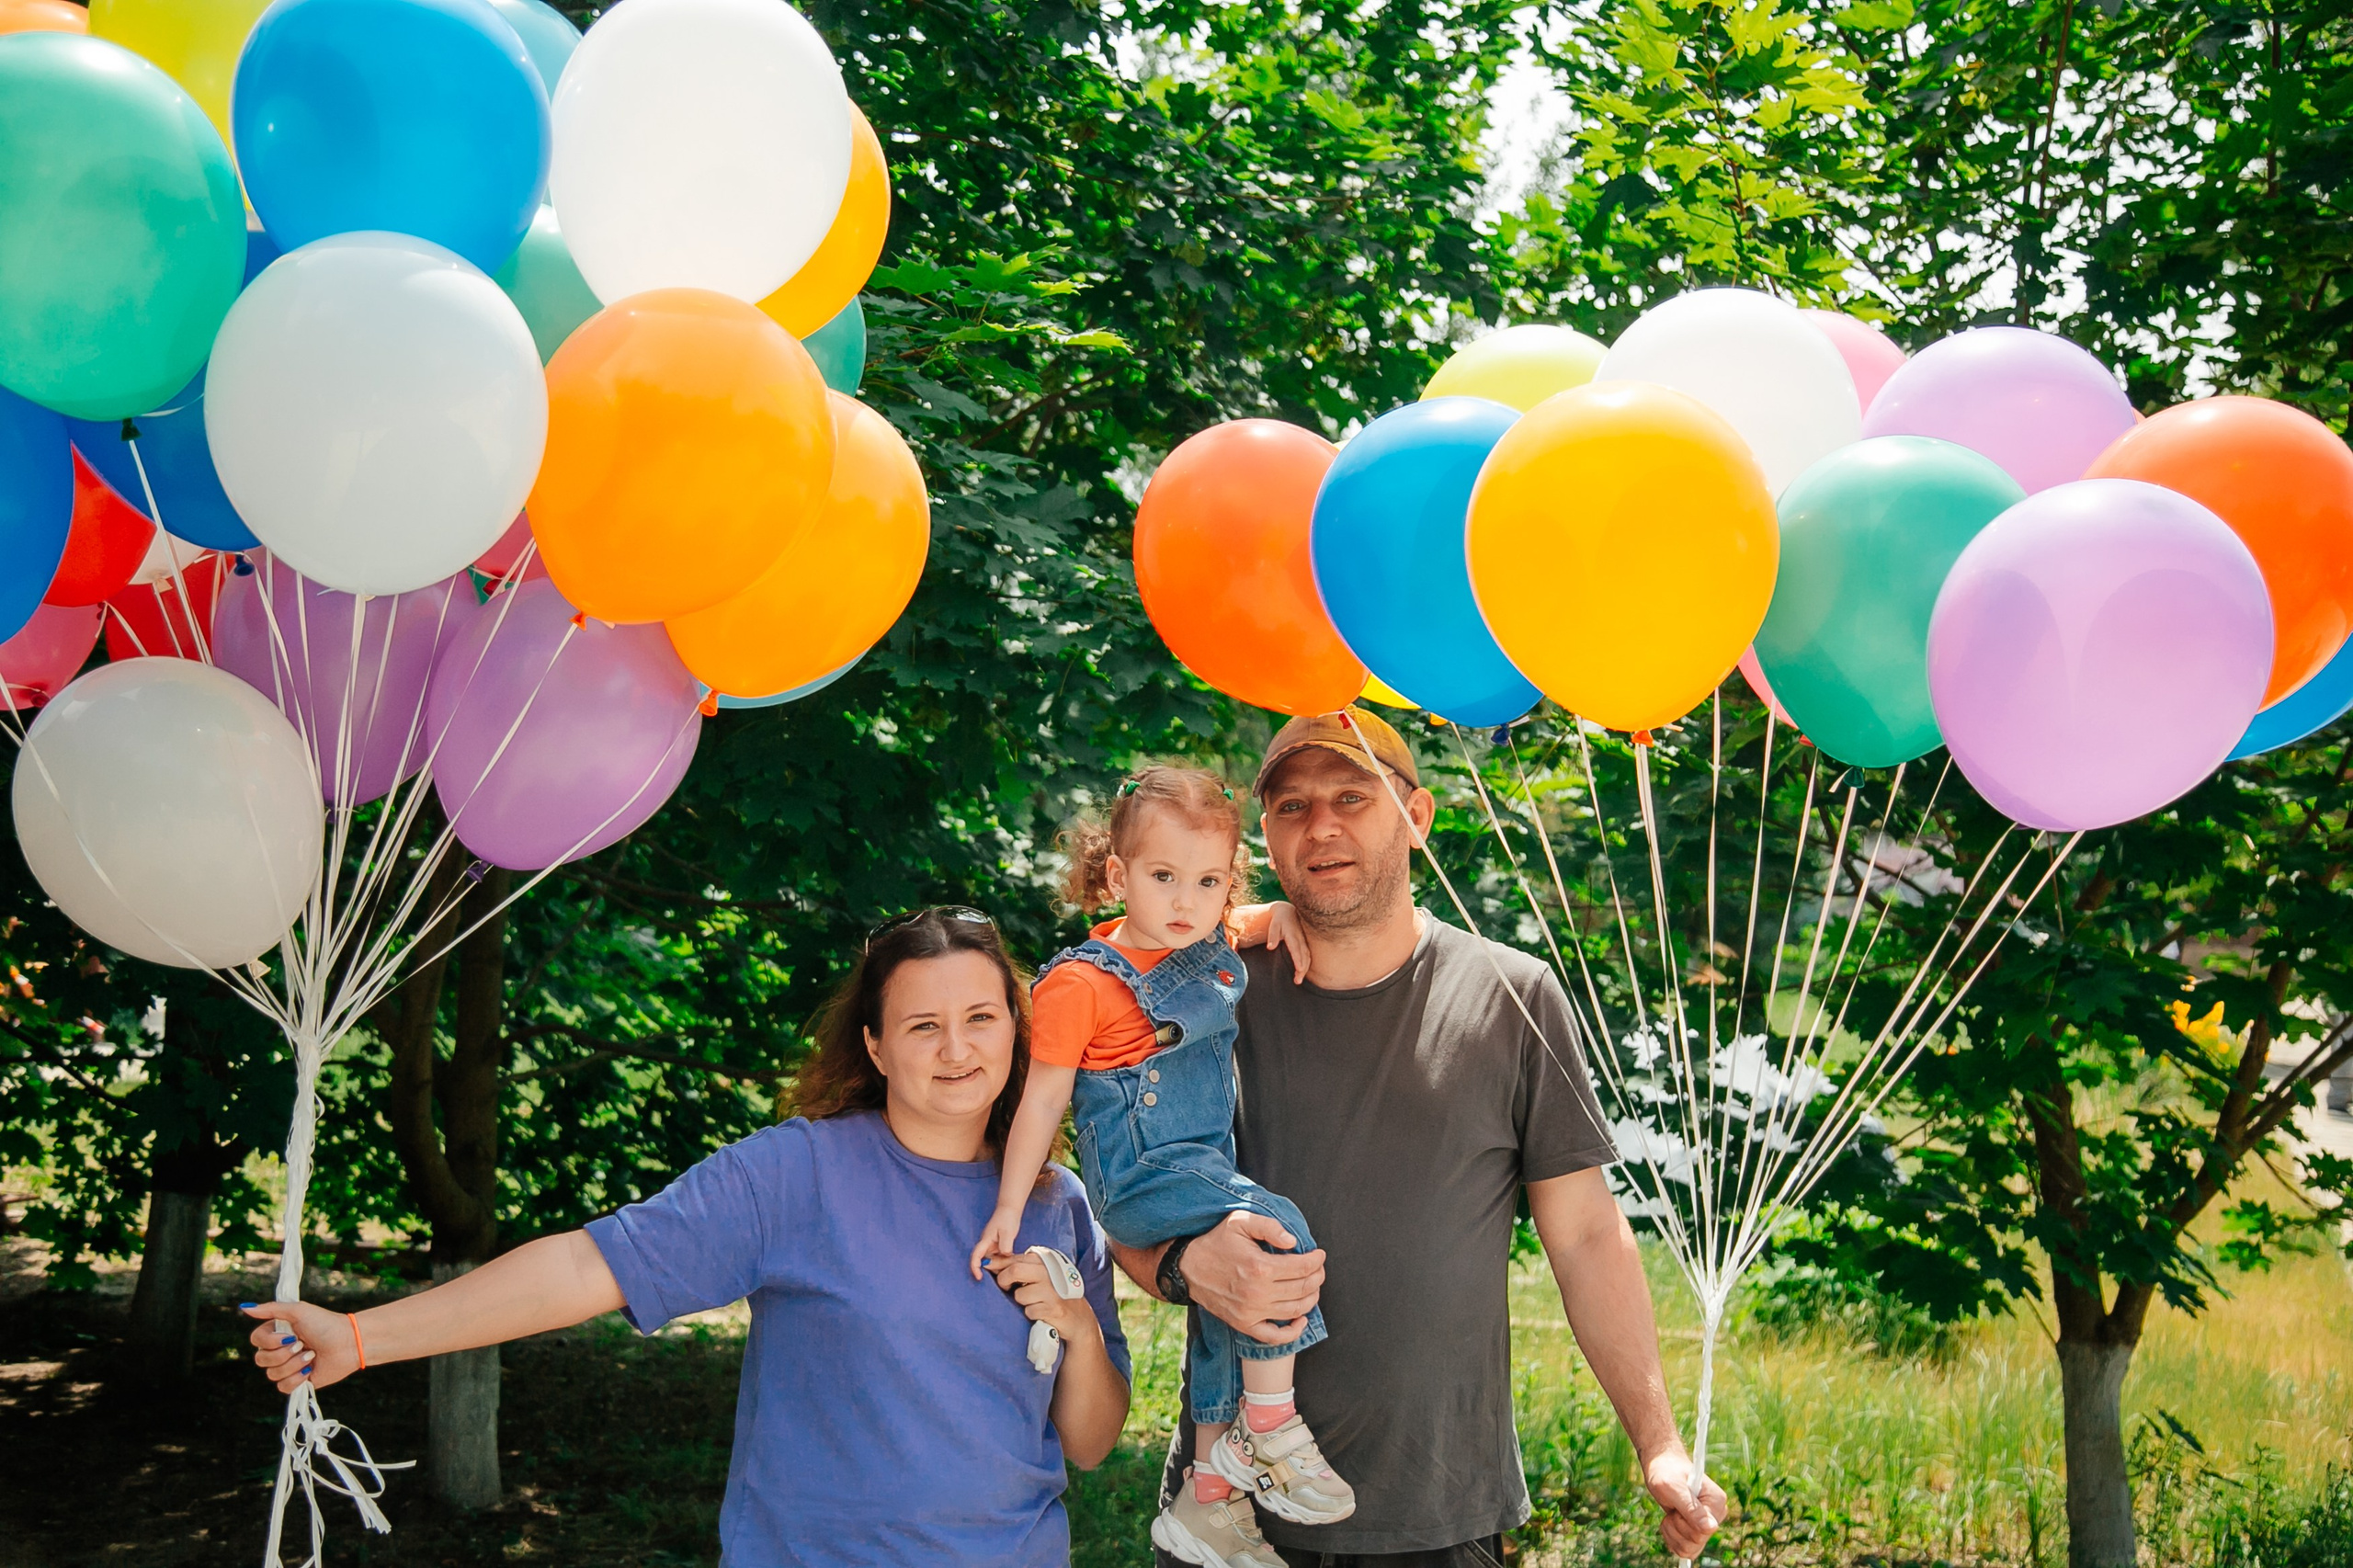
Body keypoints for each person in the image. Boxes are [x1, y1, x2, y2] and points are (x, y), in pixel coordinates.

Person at [241, 908, 1131, 1568]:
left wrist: (1080, 1330)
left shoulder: (1057, 1204)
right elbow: (587, 1264)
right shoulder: (798, 1174)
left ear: (1019, 1029)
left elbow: (1090, 1443)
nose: (957, 1049)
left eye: (981, 1017)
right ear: (875, 1046)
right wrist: (362, 1335)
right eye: (922, 1025)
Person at [1117, 708, 1729, 1568]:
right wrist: (1181, 1267)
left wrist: (1659, 1445)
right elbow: (1122, 1196)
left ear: (1417, 815)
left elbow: (1588, 1235)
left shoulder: (1513, 997)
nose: (1321, 826)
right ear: (1268, 838)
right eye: (1292, 807)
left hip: (1437, 1510)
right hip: (1228, 1519)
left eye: (1351, 797)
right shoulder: (1204, 995)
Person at [970, 766, 1343, 1568]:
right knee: (1276, 1227)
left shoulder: (1206, 941)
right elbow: (1041, 1101)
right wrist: (1008, 1207)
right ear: (1118, 876)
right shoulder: (1082, 982)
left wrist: (1277, 912)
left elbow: (1240, 918)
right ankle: (1268, 1427)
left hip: (1198, 1167)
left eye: (1208, 882)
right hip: (1139, 1179)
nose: (1185, 900)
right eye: (1164, 876)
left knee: (1225, 1307)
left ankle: (1207, 1497)